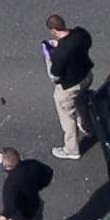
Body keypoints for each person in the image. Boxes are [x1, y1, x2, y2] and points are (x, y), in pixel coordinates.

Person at [42, 13, 95, 160]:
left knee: (67, 117)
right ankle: (88, 126)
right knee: (81, 102)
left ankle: (71, 150)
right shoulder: (81, 34)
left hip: (70, 86)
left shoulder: (60, 53)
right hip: (87, 76)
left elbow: (55, 75)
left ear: (53, 30)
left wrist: (48, 56)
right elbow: (88, 44)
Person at [0, 148, 50, 220]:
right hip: (35, 202)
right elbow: (48, 172)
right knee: (35, 218)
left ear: (5, 166)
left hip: (22, 215)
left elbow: (9, 210)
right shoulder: (32, 164)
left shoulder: (10, 185)